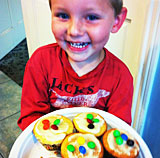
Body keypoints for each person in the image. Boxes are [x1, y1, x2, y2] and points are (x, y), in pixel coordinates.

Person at [18, 0, 133, 131]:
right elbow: (31, 118)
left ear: (117, 21)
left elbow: (118, 131)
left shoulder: (121, 77)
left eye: (92, 17)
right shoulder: (40, 62)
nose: (74, 31)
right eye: (63, 15)